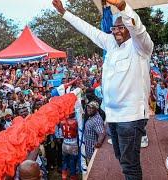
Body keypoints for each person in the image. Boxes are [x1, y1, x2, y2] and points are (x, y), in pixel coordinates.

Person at [53, 0, 153, 179]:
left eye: (121, 28)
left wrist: (123, 7)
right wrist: (64, 13)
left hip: (131, 117)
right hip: (112, 116)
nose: (117, 32)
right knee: (121, 158)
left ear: (129, 28)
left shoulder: (140, 46)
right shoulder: (110, 43)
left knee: (130, 164)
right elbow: (87, 29)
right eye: (114, 28)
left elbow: (139, 29)